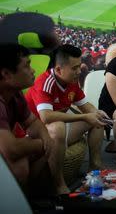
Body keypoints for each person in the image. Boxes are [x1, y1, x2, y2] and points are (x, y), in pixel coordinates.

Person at [25, 44, 108, 195]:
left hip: (59, 132)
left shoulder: (71, 81)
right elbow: (46, 116)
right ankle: (59, 184)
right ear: (58, 69)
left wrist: (96, 113)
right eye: (74, 68)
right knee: (58, 126)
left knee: (97, 119)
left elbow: (85, 106)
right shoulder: (45, 82)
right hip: (36, 136)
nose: (79, 71)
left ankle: (95, 166)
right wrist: (84, 116)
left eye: (79, 66)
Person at [0, 44, 53, 193]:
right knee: (20, 165)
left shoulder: (15, 94)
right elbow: (11, 150)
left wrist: (45, 138)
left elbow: (33, 122)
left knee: (46, 146)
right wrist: (41, 143)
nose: (33, 70)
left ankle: (29, 197)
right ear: (6, 74)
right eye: (27, 66)